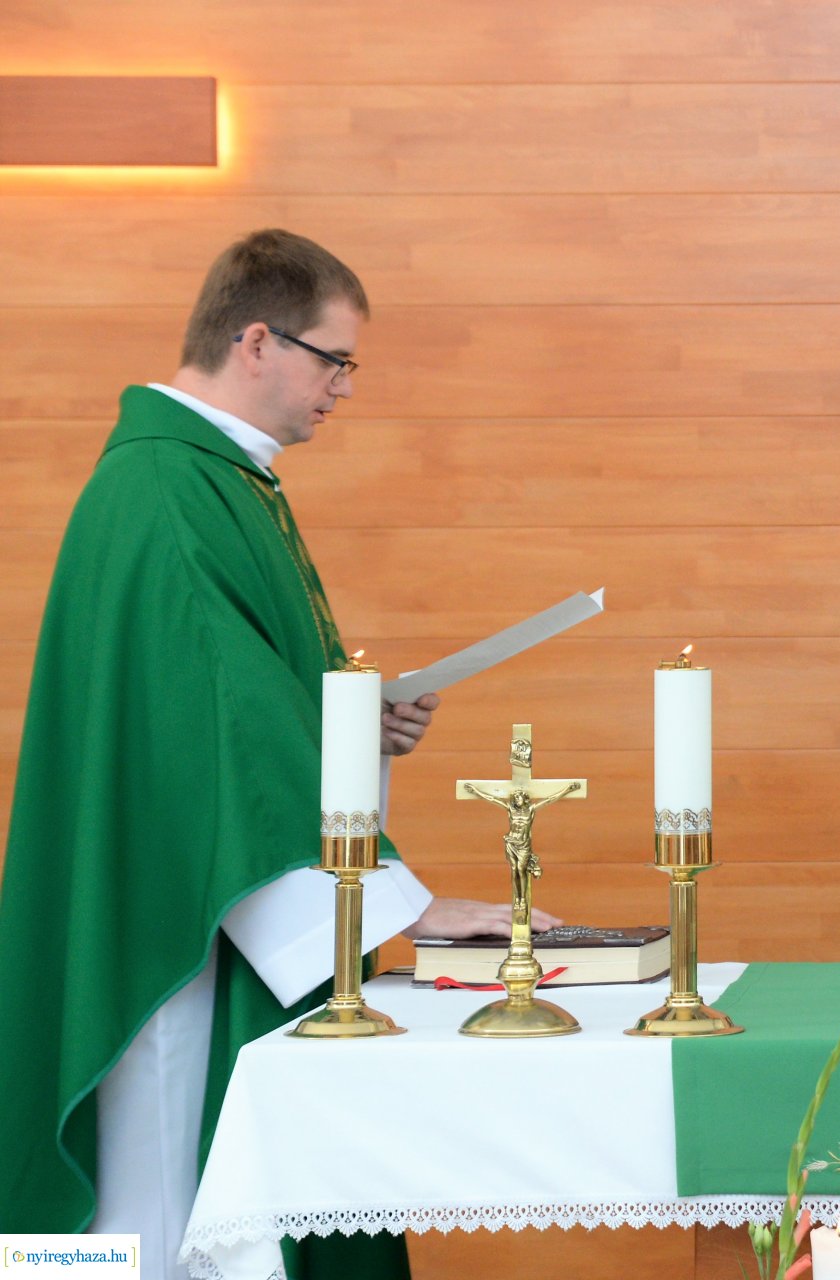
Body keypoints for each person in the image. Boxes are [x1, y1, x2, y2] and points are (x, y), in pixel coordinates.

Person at [0, 230, 552, 1275]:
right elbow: (217, 721)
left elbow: (235, 698)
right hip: (171, 932)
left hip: (201, 889)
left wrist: (355, 722)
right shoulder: (168, 489)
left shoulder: (219, 481)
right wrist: (397, 900)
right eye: (332, 359)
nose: (344, 388)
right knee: (170, 1204)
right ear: (256, 339)